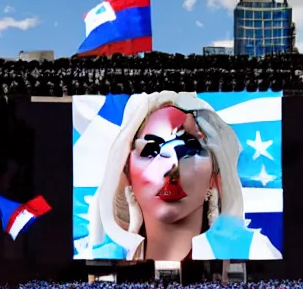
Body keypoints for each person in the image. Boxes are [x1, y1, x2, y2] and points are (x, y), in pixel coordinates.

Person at [86, 91, 282, 261]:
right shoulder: (97, 256)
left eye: (189, 150)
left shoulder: (252, 251)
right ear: (127, 173)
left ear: (214, 177)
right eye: (150, 150)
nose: (173, 165)